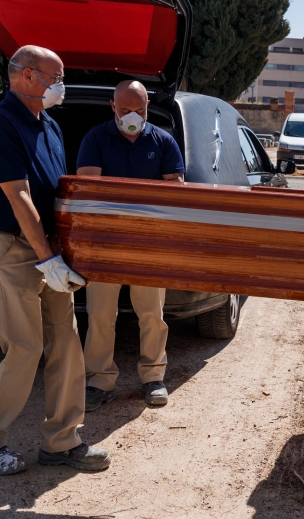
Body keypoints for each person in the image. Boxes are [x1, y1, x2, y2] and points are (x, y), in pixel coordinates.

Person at [0, 45, 110, 475]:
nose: (61, 84)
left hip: (47, 247)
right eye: (56, 75)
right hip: (12, 248)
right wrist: (48, 259)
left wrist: (63, 247)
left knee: (66, 343)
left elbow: (58, 188)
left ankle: (62, 441)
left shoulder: (48, 124)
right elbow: (19, 196)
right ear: (27, 76)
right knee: (25, 348)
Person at [76, 80, 185, 410]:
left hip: (148, 245)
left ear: (148, 107)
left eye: (139, 110)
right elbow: (88, 187)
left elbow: (176, 191)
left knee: (152, 313)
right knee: (100, 316)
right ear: (113, 107)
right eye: (125, 110)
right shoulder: (96, 138)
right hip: (104, 244)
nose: (132, 116)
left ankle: (153, 377)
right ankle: (98, 380)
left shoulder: (163, 141)